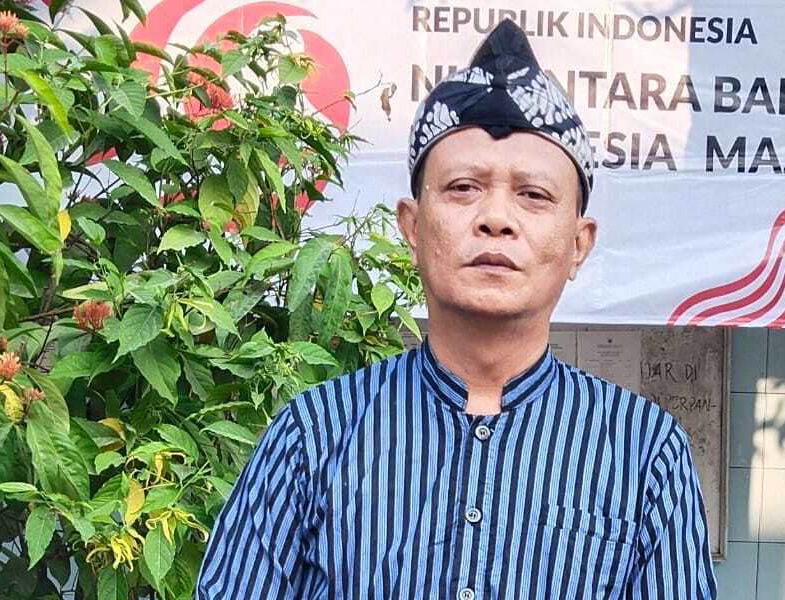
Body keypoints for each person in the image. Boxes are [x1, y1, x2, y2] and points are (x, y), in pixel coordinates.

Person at [196, 19, 717, 600]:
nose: (495, 218)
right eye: (464, 188)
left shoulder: (643, 453)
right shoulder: (316, 434)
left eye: (533, 195)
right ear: (413, 228)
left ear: (578, 244)